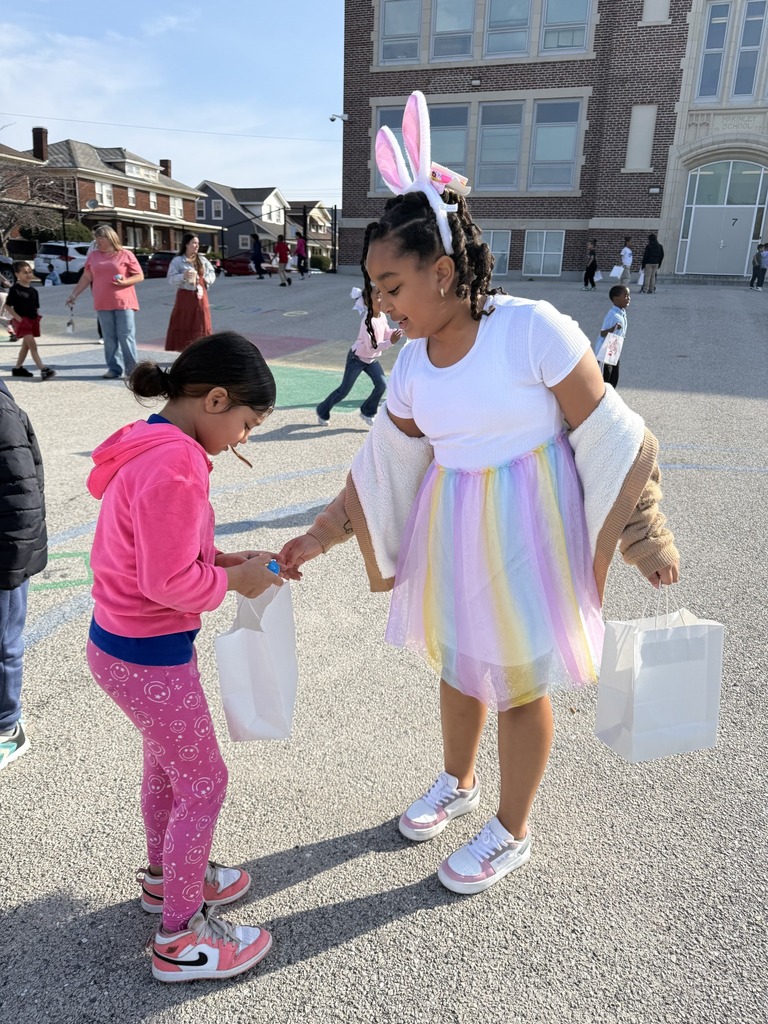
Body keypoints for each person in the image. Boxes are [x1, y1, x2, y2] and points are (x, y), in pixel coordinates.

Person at [279, 90, 680, 897]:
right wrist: (317, 537)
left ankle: (511, 828)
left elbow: (610, 435)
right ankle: (457, 783)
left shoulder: (534, 329)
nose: (380, 305)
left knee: (520, 683)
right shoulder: (415, 367)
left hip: (533, 534)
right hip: (455, 533)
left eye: (391, 286)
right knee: (461, 669)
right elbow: (382, 469)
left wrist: (648, 536)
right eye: (373, 290)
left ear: (444, 270)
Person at [86, 331, 292, 982]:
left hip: (121, 646)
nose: (243, 440)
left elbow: (163, 555)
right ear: (217, 399)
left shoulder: (154, 441)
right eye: (247, 425)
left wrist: (221, 561)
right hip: (150, 654)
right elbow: (167, 583)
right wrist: (232, 581)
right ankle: (181, 937)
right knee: (205, 781)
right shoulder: (175, 464)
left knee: (170, 769)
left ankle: (163, 877)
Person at [0, 378, 47, 770]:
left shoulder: (1, 412)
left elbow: (22, 497)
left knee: (2, 646)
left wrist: (10, 565)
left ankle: (7, 729)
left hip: (4, 559)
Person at [316, 287, 403, 428]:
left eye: (383, 296)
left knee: (382, 385)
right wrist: (391, 342)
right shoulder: (367, 322)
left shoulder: (381, 316)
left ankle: (367, 412)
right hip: (356, 359)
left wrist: (397, 332)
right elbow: (372, 346)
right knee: (343, 391)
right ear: (369, 301)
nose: (383, 300)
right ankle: (322, 410)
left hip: (371, 359)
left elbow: (387, 333)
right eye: (379, 297)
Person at [66, 225, 144, 379]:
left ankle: (132, 369)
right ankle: (114, 368)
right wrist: (74, 294)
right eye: (96, 238)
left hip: (124, 302)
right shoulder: (94, 256)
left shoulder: (125, 254)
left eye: (100, 238)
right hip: (102, 302)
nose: (97, 241)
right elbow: (87, 277)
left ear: (110, 238)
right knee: (109, 337)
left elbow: (139, 275)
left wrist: (125, 282)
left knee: (126, 335)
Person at [164, 234, 216, 353]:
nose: (197, 245)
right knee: (185, 322)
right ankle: (184, 352)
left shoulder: (202, 260)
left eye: (197, 243)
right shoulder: (178, 261)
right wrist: (183, 276)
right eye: (194, 243)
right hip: (185, 296)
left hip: (201, 297)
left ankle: (202, 350)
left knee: (202, 322)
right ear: (186, 244)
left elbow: (212, 272)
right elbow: (171, 278)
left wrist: (206, 280)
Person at [5, 262, 56, 378]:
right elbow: (8, 306)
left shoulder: (34, 291)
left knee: (26, 346)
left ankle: (17, 368)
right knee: (33, 346)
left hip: (33, 320)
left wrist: (37, 319)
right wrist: (18, 318)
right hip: (22, 322)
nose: (28, 275)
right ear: (17, 274)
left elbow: (35, 307)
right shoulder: (15, 290)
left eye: (29, 272)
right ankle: (43, 369)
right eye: (24, 273)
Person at [596, 284, 629, 389]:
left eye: (629, 295)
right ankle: (601, 401)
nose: (629, 298)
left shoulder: (622, 313)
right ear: (615, 298)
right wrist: (613, 328)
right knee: (605, 379)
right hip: (605, 353)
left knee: (614, 378)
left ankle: (610, 399)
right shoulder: (613, 315)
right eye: (626, 296)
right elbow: (602, 333)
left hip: (614, 350)